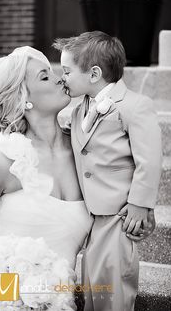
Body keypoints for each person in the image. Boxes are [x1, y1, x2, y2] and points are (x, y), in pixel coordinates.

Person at [0, 46, 155, 311]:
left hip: (59, 296)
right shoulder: (8, 158)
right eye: (44, 76)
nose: (60, 78)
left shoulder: (85, 151)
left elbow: (117, 199)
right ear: (23, 98)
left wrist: (139, 211)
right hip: (5, 288)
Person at [53, 31, 162, 311]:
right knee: (92, 286)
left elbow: (148, 160)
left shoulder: (135, 107)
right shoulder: (79, 112)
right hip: (91, 215)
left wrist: (140, 204)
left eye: (66, 71)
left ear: (94, 74)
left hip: (118, 215)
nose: (62, 77)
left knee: (113, 288)